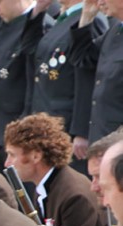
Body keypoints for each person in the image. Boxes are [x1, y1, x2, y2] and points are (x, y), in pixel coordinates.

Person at [0, 0, 52, 171]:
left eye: (0, 1)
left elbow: (34, 80)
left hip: (17, 122)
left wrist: (25, 124)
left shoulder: (37, 25)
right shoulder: (6, 25)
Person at [29, 0, 107, 165]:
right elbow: (31, 54)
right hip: (48, 120)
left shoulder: (91, 19)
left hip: (68, 125)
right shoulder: (63, 18)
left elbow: (87, 76)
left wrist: (82, 130)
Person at [71, 0, 123, 143]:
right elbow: (83, 58)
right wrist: (86, 17)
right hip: (101, 134)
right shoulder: (115, 31)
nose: (100, 2)